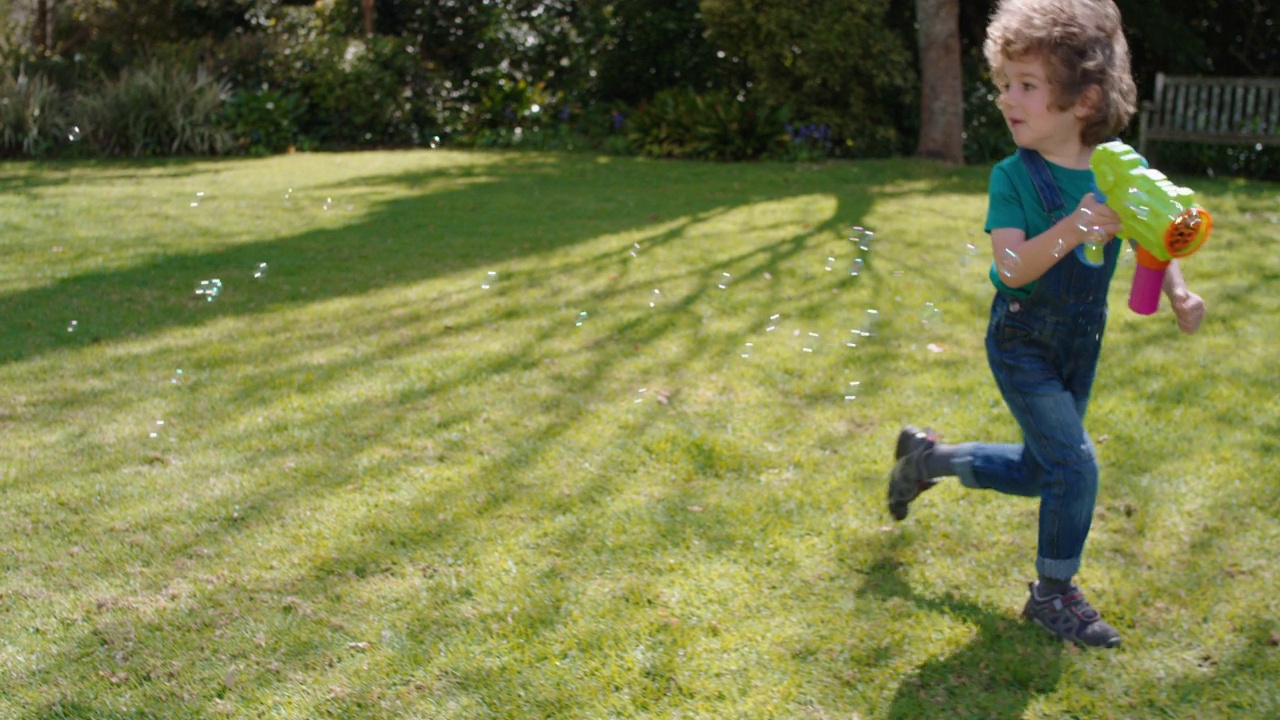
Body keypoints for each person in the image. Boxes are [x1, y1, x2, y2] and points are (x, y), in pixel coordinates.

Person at [886, 0, 1206, 648]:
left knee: (1042, 471)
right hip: (1023, 341)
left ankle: (928, 459)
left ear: (1084, 100)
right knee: (1076, 466)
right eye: (1004, 83)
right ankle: (1053, 593)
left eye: (1027, 85)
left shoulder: (1117, 166)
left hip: (1078, 346)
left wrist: (1178, 287)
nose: (1008, 98)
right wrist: (1074, 227)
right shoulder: (1014, 178)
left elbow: (1156, 228)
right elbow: (1011, 268)